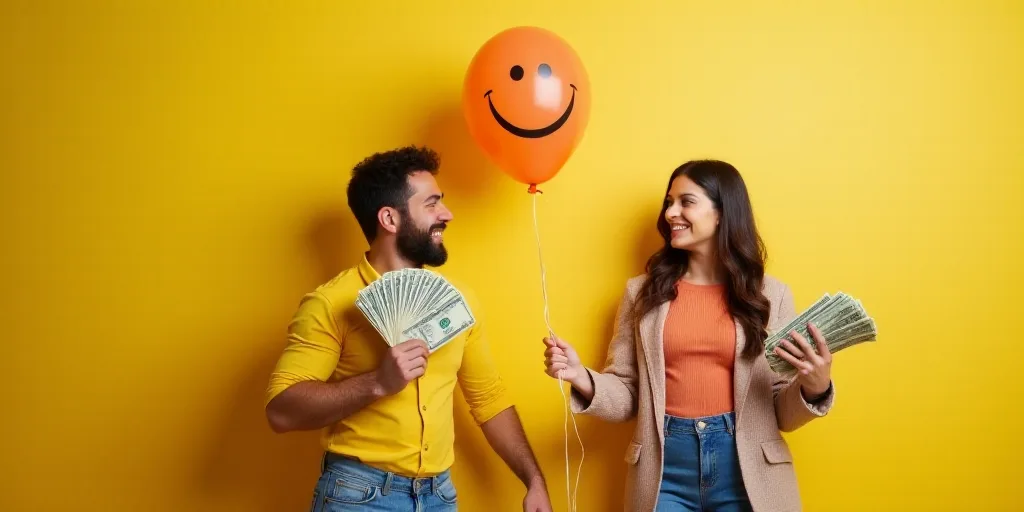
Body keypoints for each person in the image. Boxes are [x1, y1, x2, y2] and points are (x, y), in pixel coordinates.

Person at [266, 145, 552, 512]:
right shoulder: (330, 303)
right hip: (359, 496)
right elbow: (281, 411)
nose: (446, 214)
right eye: (432, 204)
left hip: (439, 497)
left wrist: (534, 480)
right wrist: (377, 383)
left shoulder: (458, 300)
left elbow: (489, 398)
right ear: (389, 218)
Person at [542, 160, 836, 512]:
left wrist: (814, 388)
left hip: (748, 471)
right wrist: (581, 377)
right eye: (669, 202)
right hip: (663, 470)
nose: (671, 213)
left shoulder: (772, 296)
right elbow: (629, 394)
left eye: (686, 201)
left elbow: (779, 411)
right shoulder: (642, 293)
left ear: (723, 213)